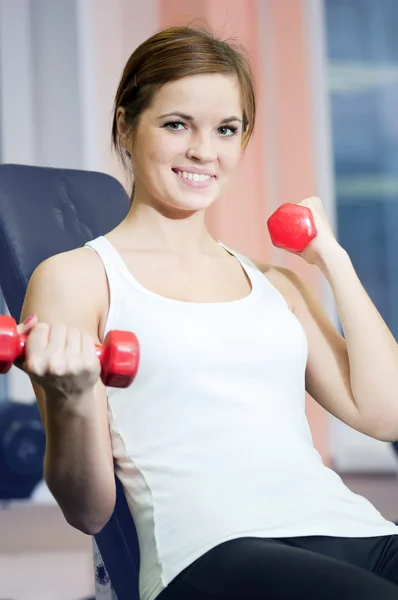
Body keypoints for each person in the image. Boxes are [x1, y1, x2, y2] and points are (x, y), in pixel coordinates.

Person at [17, 25, 398, 600]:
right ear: (125, 124)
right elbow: (89, 511)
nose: (204, 151)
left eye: (226, 129)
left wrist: (332, 257)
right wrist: (70, 398)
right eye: (177, 124)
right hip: (210, 551)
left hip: (350, 527)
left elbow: (384, 415)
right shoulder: (77, 279)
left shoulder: (276, 284)